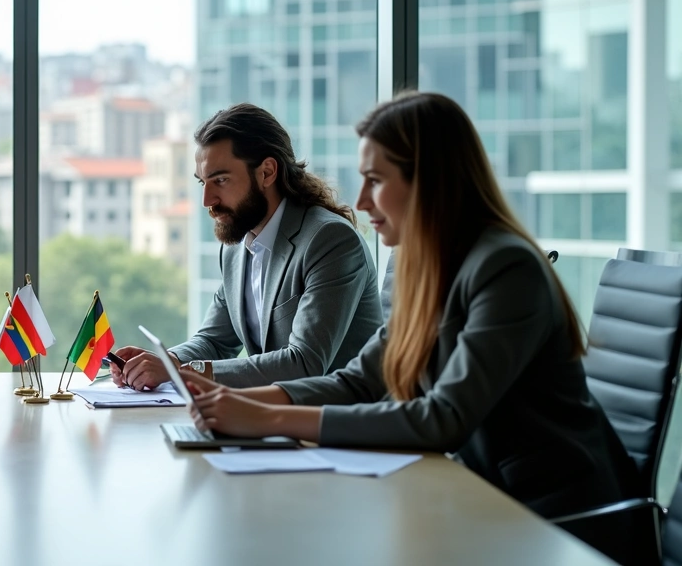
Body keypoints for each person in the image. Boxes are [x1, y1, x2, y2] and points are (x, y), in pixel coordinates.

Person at [179, 92, 637, 561]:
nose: (359, 201)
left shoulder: (505, 267)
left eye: (375, 181)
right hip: (469, 492)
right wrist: (233, 404)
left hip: (551, 518)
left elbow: (443, 417)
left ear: (429, 180)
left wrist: (268, 418)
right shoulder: (416, 260)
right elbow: (360, 380)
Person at [113, 103, 382, 389]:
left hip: (339, 425)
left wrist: (181, 371)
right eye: (203, 182)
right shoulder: (236, 247)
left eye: (221, 180)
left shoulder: (330, 240)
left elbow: (305, 363)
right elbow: (214, 341)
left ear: (267, 172)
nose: (208, 200)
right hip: (276, 420)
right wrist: (161, 363)